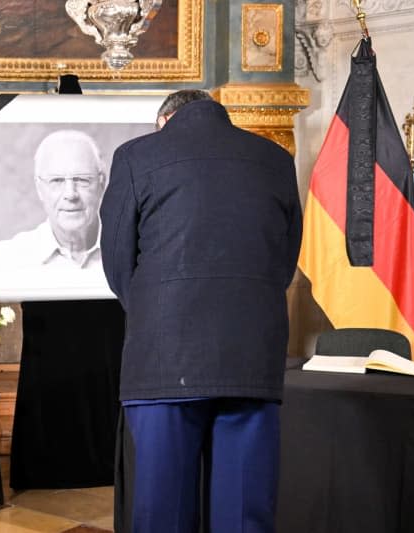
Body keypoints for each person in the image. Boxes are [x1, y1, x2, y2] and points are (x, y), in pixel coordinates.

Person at [100, 89, 302, 532]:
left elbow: (116, 259)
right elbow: (284, 258)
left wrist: (154, 311)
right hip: (251, 354)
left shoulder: (136, 156)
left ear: (165, 121)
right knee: (245, 511)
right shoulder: (275, 158)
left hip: (164, 360)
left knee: (163, 512)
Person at [0, 129, 106, 270]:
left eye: (82, 179)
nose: (71, 194)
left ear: (102, 183)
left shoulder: (131, 255)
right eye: (57, 180)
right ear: (39, 188)